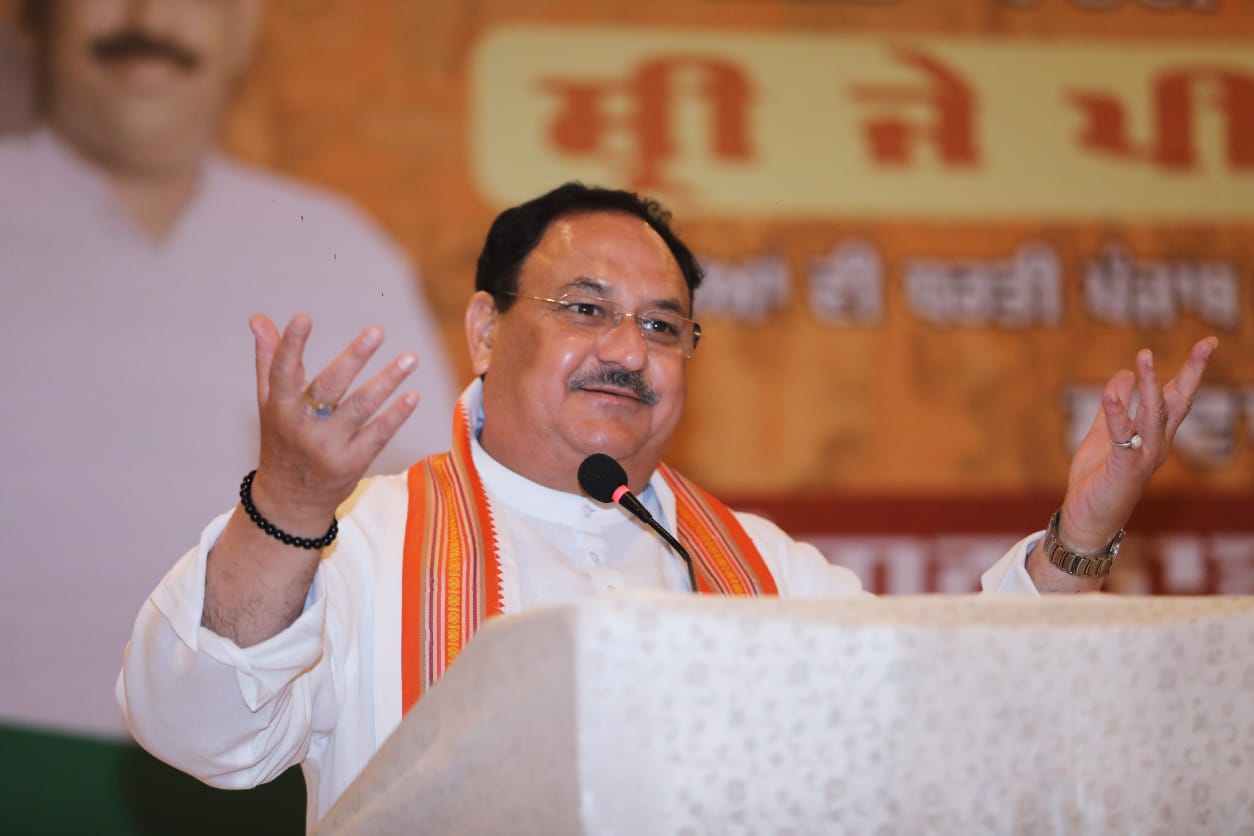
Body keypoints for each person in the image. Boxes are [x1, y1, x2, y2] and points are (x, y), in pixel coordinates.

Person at [117, 183, 1217, 826]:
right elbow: (195, 729)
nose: (627, 351)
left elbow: (951, 723)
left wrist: (1079, 534)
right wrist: (289, 504)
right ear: (488, 330)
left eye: (662, 325)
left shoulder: (757, 564)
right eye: (586, 308)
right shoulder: (364, 537)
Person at [0, 0, 456, 739]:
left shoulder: (335, 245)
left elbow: (426, 527)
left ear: (243, 31)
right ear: (36, 19)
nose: (148, 18)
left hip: (266, 752)